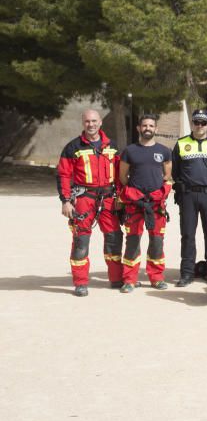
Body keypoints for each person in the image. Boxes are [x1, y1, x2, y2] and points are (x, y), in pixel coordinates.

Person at [56, 109, 123, 296]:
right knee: (80, 241)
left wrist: (121, 198)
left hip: (109, 199)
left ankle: (116, 278)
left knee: (114, 238)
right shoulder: (73, 147)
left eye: (94, 121)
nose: (91, 124)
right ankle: (80, 283)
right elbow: (63, 175)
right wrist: (66, 201)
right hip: (84, 199)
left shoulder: (113, 146)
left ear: (100, 122)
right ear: (83, 123)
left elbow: (120, 175)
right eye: (87, 121)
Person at [172, 108, 207, 287]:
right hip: (188, 194)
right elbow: (176, 171)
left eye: (203, 122)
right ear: (193, 123)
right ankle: (187, 272)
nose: (200, 126)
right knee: (187, 234)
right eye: (196, 122)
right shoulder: (181, 144)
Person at [118, 114, 172, 293]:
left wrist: (153, 193)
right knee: (133, 241)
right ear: (138, 128)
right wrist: (137, 195)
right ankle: (129, 280)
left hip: (156, 206)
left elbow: (166, 175)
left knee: (157, 242)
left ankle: (156, 278)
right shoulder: (129, 151)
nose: (147, 128)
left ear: (156, 129)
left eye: (151, 125)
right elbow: (122, 177)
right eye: (144, 125)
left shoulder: (164, 151)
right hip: (135, 205)